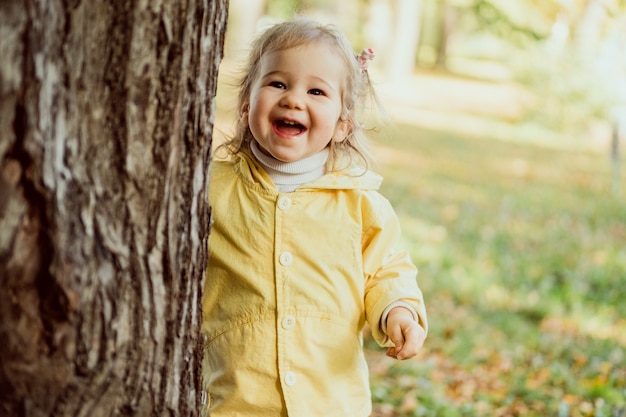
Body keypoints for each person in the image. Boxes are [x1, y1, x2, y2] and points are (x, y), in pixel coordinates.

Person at [202, 18, 428, 417]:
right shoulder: (210, 188)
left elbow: (386, 271)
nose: (293, 99)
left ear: (343, 124)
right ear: (245, 104)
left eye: (316, 91)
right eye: (277, 83)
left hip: (330, 402)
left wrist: (399, 310)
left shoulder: (360, 204)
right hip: (235, 401)